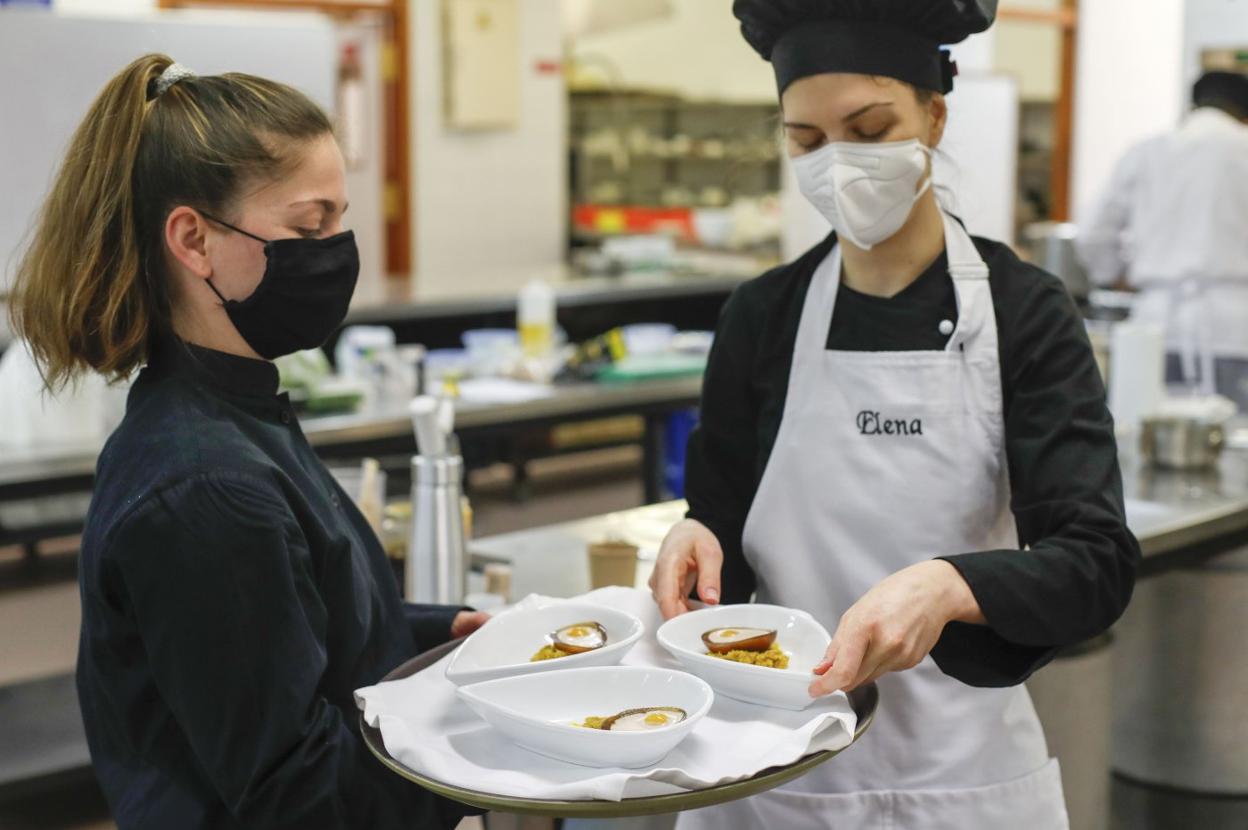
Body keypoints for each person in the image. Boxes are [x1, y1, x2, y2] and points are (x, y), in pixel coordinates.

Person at [648, 2, 1139, 827]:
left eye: (869, 130)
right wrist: (695, 541)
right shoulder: (762, 316)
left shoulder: (1023, 313)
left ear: (934, 116)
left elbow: (1095, 563)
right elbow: (724, 531)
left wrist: (952, 585)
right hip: (774, 773)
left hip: (957, 776)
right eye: (806, 141)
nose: (837, 164)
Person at [9, 54, 488, 829]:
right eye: (310, 225)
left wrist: (440, 634)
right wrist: (491, 753)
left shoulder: (227, 407)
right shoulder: (205, 488)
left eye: (340, 219)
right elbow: (300, 799)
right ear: (194, 241)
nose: (337, 250)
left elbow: (291, 617)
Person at [1078, 71, 1248, 408]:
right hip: (1235, 328)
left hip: (1155, 327)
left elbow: (1092, 233)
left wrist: (1115, 275)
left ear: (1193, 105)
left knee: (1148, 443)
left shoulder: (1147, 152)